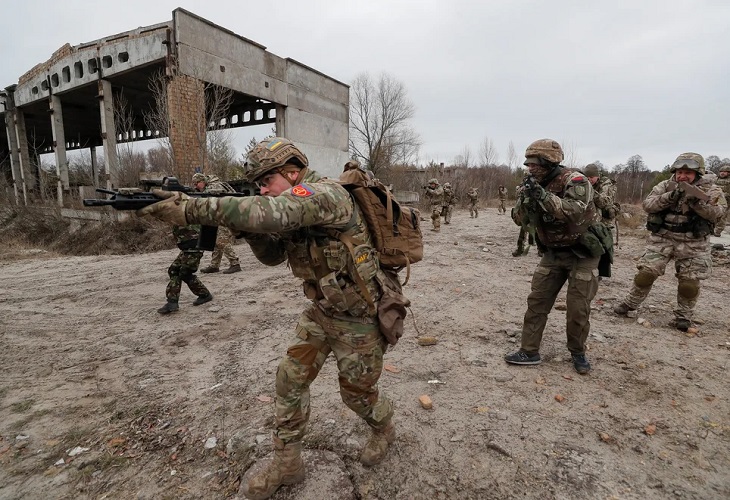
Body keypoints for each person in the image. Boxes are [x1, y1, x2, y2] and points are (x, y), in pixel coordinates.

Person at [138, 138, 397, 500]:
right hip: (321, 314)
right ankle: (288, 464)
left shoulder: (326, 194)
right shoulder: (293, 204)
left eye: (265, 182)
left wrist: (191, 209)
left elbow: (271, 213)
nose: (261, 190)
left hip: (359, 319)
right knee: (289, 381)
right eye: (258, 185)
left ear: (292, 172)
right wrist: (249, 233)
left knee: (358, 397)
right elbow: (274, 256)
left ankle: (383, 428)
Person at [504, 138, 599, 375]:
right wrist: (527, 200)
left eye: (535, 163)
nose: (530, 168)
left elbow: (575, 212)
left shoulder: (576, 180)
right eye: (528, 164)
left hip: (582, 252)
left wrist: (543, 197)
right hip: (553, 252)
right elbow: (518, 219)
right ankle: (529, 350)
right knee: (537, 301)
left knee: (577, 307)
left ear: (549, 162)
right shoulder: (531, 184)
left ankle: (578, 352)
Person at [614, 153, 726, 331]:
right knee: (645, 274)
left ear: (698, 173)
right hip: (663, 238)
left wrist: (697, 202)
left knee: (689, 284)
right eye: (680, 172)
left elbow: (718, 213)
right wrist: (671, 196)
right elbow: (648, 205)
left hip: (694, 242)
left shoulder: (712, 190)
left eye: (688, 173)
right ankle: (630, 304)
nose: (683, 176)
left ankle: (683, 317)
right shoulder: (665, 185)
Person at [157, 222, 213, 314]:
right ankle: (203, 294)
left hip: (194, 247)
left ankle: (173, 302)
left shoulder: (188, 211)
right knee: (174, 270)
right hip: (187, 248)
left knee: (184, 273)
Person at [192, 173, 242, 274]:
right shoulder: (210, 186)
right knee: (216, 240)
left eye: (196, 183)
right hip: (220, 216)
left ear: (202, 181)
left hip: (226, 216)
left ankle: (235, 263)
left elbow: (215, 202)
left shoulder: (214, 187)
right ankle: (215, 265)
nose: (195, 186)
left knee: (221, 240)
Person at [584, 164, 619, 240]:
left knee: (606, 244)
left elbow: (603, 202)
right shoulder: (586, 183)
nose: (589, 180)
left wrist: (590, 191)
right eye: (587, 178)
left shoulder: (606, 184)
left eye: (591, 177)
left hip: (605, 221)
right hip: (592, 220)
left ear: (597, 176)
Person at [713, 161, 730, 236]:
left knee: (723, 216)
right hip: (716, 199)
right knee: (714, 214)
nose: (722, 173)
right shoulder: (716, 179)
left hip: (726, 200)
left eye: (725, 172)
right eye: (721, 171)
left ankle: (718, 231)